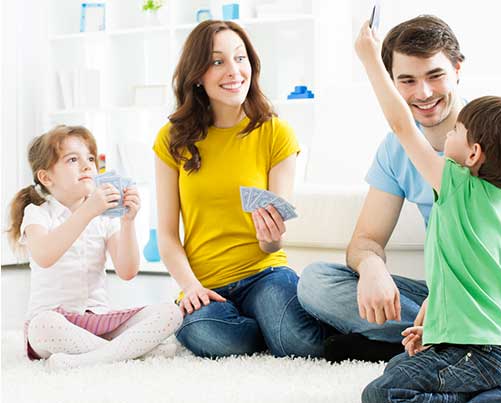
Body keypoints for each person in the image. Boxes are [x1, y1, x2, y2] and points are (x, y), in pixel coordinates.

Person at [297, 14, 501, 392]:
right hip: (442, 296)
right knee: (317, 282)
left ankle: (458, 350)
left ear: (457, 69)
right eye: (407, 80)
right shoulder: (397, 152)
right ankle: (473, 353)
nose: (423, 93)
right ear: (393, 82)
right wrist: (371, 267)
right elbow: (365, 239)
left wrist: (472, 273)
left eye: (434, 75)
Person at [355, 19, 501, 402]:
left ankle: (480, 394)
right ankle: (487, 389)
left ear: (473, 153)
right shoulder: (498, 205)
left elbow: (401, 125)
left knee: (381, 393)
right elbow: (473, 287)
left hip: (482, 351)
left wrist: (370, 60)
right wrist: (435, 329)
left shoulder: (458, 183)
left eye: (457, 132)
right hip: (500, 344)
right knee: (399, 368)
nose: (448, 137)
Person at [153, 20, 330, 359]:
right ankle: (266, 330)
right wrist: (190, 286)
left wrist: (271, 236)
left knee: (299, 342)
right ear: (197, 75)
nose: (234, 71)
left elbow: (275, 241)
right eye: (218, 61)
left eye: (241, 58)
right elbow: (166, 234)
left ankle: (273, 326)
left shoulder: (276, 133)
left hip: (265, 274)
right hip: (205, 283)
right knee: (201, 330)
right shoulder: (171, 139)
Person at [7, 125, 182, 370]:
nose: (87, 165)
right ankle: (132, 354)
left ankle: (90, 358)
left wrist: (128, 222)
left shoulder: (104, 217)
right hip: (55, 323)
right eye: (72, 160)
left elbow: (127, 271)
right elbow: (45, 255)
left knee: (170, 312)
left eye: (90, 158)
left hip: (99, 322)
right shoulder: (37, 214)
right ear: (46, 177)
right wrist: (89, 211)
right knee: (42, 326)